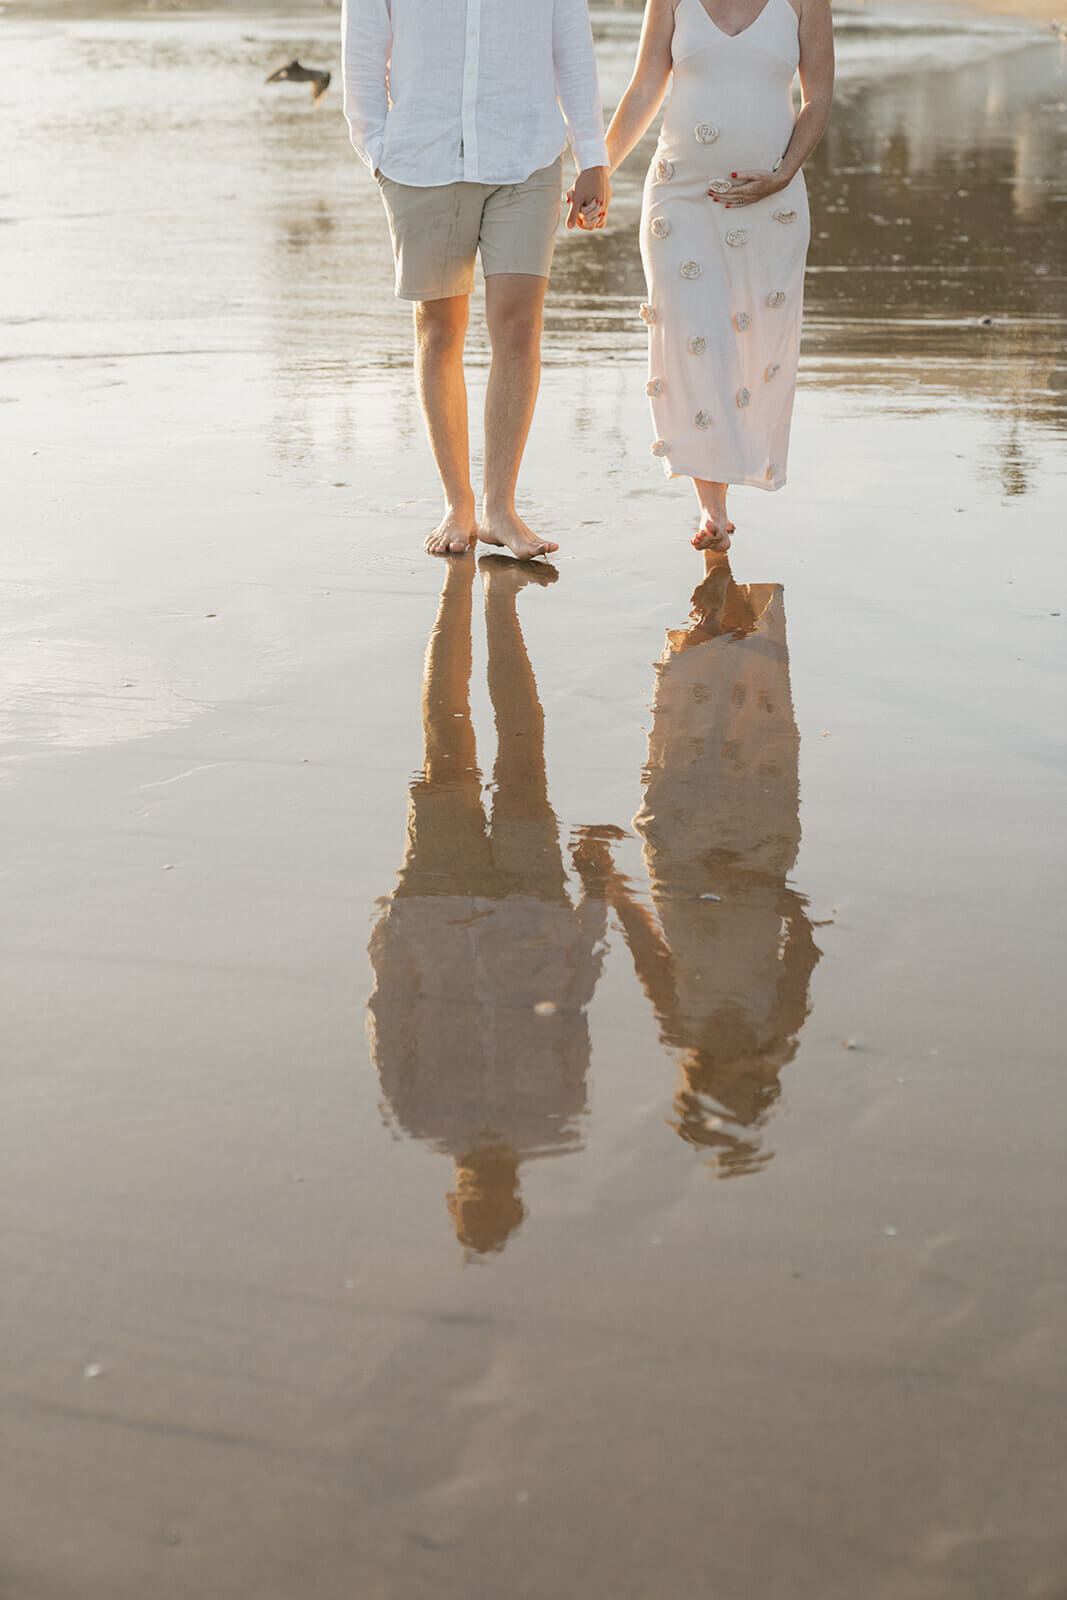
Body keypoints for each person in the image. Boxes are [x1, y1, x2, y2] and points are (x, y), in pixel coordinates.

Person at [366, 554, 610, 1258]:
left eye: (475, 1203)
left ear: (454, 1197)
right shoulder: (555, 1117)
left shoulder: (419, 1116)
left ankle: (474, 598)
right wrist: (594, 898)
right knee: (522, 759)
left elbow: (390, 1007)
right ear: (515, 1197)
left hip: (438, 907)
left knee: (448, 751)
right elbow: (575, 1003)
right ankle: (499, 606)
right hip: (531, 913)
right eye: (492, 1203)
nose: (483, 1190)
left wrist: (393, 925)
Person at [341, 0, 611, 560]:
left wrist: (593, 157)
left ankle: (499, 508)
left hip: (527, 156)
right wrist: (378, 153)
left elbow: (572, 48)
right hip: (421, 159)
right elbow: (362, 54)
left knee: (519, 327)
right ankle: (457, 504)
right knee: (440, 330)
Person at [581, 554, 819, 1175]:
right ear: (757, 1084)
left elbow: (646, 951)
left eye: (720, 1092)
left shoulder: (681, 1027)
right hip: (756, 859)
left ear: (702, 1082)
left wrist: (606, 883)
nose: (732, 1077)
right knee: (759, 723)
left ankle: (711, 617)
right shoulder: (776, 1028)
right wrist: (779, 894)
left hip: (681, 860)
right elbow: (802, 956)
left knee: (685, 737)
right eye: (743, 1092)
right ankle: (731, 609)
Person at [602, 0, 834, 550]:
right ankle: (712, 508)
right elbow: (643, 91)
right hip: (680, 197)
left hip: (770, 201)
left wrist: (784, 174)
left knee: (748, 344)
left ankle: (722, 490)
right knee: (694, 337)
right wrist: (598, 170)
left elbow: (818, 98)